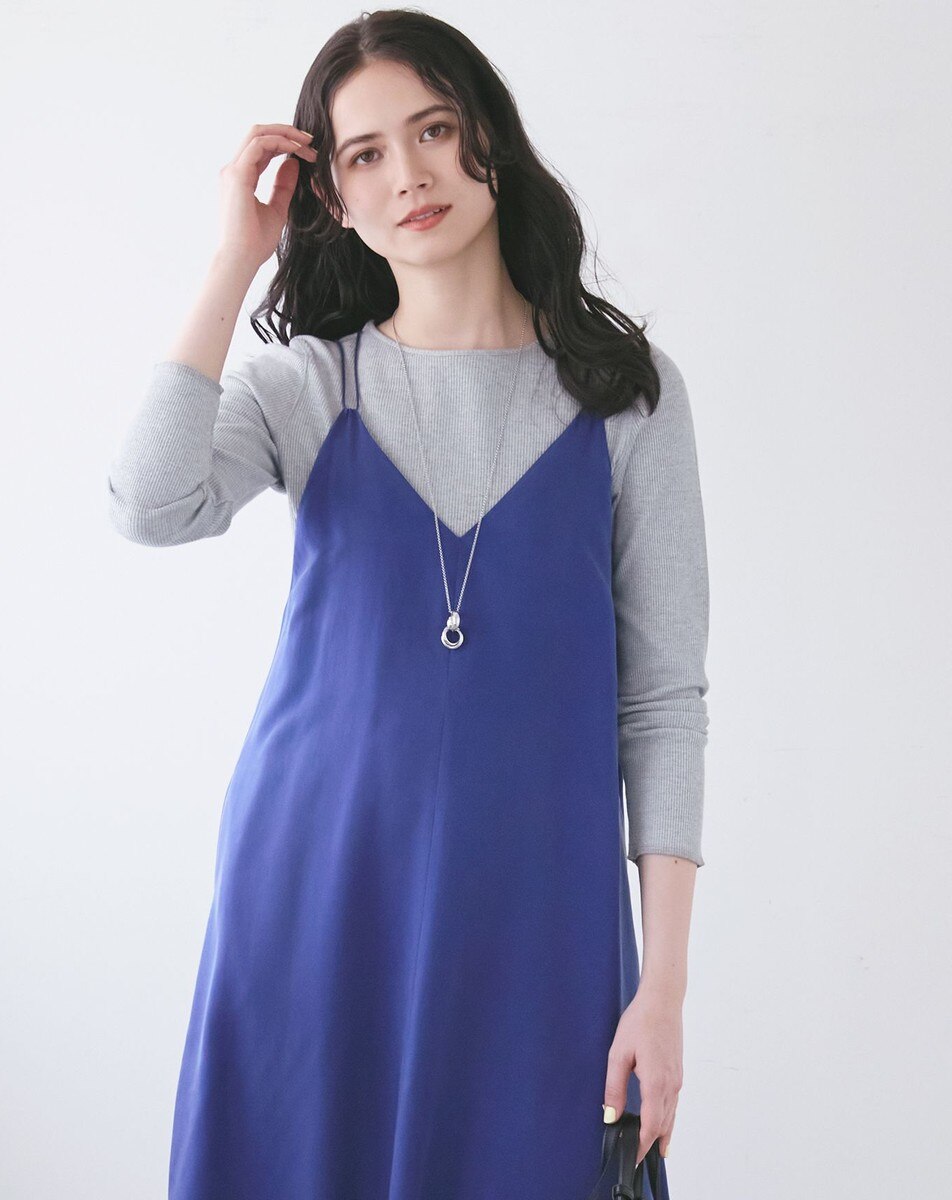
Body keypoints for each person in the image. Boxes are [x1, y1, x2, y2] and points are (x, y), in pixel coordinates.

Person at [106, 10, 710, 1199]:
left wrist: (664, 988)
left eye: (433, 130)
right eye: (366, 154)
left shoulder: (627, 397)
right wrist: (234, 258)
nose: (409, 175)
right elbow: (147, 503)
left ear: (489, 137)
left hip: (538, 915)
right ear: (330, 195)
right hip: (318, 896)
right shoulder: (310, 383)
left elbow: (664, 702)